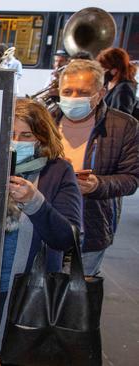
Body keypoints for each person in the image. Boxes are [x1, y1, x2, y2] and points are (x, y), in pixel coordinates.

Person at [0, 98, 82, 354]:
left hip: (27, 290)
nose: (16, 142)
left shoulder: (58, 171)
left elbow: (67, 238)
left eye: (26, 135)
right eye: (10, 134)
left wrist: (35, 202)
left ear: (42, 137)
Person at [56, 60, 139, 276]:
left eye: (82, 92)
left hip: (90, 228)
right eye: (67, 91)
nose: (73, 98)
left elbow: (131, 179)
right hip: (46, 226)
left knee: (77, 298)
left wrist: (97, 185)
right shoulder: (47, 120)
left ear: (100, 93)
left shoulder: (124, 126)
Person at [97, 47, 138, 115]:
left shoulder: (124, 89)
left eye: (104, 69)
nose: (102, 72)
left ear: (116, 69)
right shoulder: (108, 81)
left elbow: (120, 120)